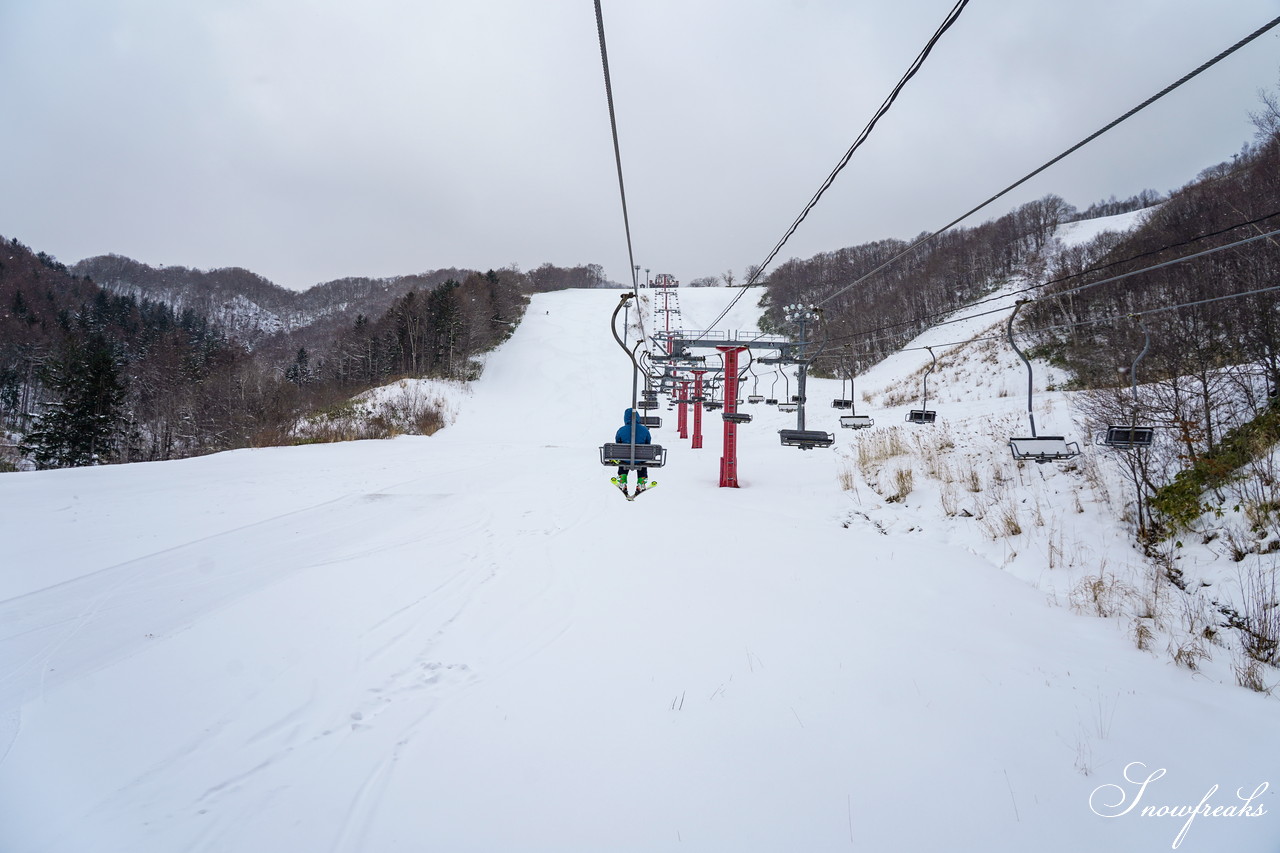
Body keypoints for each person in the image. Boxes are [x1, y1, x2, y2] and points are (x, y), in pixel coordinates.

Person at [612, 407, 652, 491]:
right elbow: (648, 443)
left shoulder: (621, 430)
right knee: (643, 461)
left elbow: (617, 444)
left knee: (622, 459)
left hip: (625, 458)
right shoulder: (644, 429)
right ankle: (641, 481)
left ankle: (622, 479)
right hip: (640, 457)